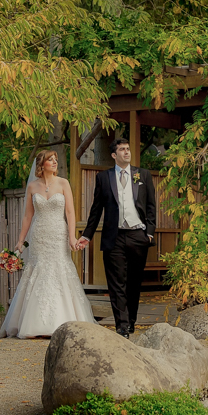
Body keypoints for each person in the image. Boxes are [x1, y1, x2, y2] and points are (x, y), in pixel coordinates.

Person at [0, 150, 95, 338]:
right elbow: (28, 215)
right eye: (50, 160)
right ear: (41, 165)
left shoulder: (63, 183)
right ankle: (35, 324)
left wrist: (72, 237)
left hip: (59, 233)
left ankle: (63, 322)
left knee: (59, 270)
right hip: (39, 235)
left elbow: (70, 212)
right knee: (39, 272)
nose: (54, 162)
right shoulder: (32, 187)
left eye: (56, 159)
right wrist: (20, 240)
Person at [77, 138, 157, 339]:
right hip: (114, 237)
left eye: (128, 149)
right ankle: (121, 326)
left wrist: (149, 233)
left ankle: (130, 322)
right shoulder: (104, 178)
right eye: (122, 149)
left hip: (138, 235)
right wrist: (87, 235)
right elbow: (96, 210)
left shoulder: (142, 175)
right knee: (116, 284)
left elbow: (151, 206)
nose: (126, 152)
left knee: (133, 282)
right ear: (114, 155)